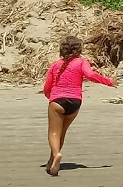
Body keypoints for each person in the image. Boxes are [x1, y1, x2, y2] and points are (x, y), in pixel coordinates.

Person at [40, 35, 117, 176]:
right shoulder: (82, 62)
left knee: (54, 133)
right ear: (79, 49)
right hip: (75, 101)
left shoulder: (55, 65)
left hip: (57, 100)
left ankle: (56, 154)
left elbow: (47, 87)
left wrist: (50, 98)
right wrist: (108, 82)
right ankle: (51, 161)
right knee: (62, 133)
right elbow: (90, 75)